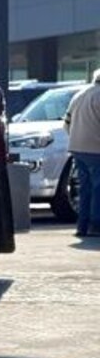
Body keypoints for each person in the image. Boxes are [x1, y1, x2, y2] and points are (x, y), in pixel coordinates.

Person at [65, 69, 100, 237]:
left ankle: (82, 226)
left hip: (77, 147)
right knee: (97, 188)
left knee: (85, 188)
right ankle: (96, 225)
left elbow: (66, 123)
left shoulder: (79, 95)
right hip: (96, 148)